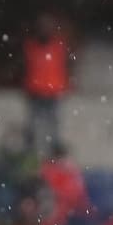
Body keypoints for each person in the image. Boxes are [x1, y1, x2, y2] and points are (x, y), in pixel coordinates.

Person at [21, 14, 70, 152]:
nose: (44, 30)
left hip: (52, 91)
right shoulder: (31, 46)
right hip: (35, 91)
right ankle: (30, 147)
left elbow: (64, 66)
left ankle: (54, 147)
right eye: (42, 27)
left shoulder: (57, 47)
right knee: (33, 122)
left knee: (53, 122)